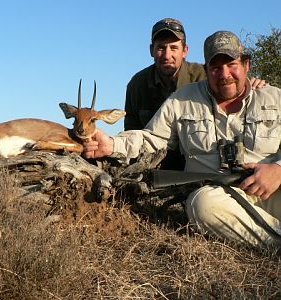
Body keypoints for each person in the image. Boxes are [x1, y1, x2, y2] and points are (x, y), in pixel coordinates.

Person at [83, 30, 281, 248]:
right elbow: (152, 139)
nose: (224, 74)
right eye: (215, 67)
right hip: (219, 195)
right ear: (206, 70)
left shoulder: (274, 97)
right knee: (201, 205)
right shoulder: (181, 99)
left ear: (247, 65)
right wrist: (111, 144)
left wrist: (278, 170)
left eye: (231, 64)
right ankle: (274, 243)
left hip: (271, 187)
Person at [124, 18, 266, 170]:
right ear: (151, 50)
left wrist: (250, 85)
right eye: (161, 48)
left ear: (185, 50)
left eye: (173, 48)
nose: (166, 55)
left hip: (198, 163)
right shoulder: (137, 84)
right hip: (154, 164)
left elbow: (231, 89)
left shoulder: (204, 76)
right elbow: (132, 132)